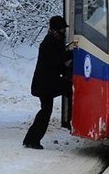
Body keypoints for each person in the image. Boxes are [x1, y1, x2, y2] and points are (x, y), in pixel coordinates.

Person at [23, 15, 72, 150]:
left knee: (45, 110)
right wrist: (72, 54)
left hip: (46, 83)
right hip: (47, 83)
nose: (64, 31)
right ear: (58, 29)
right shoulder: (51, 41)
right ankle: (32, 140)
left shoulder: (52, 39)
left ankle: (31, 139)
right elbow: (57, 60)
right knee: (70, 90)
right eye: (62, 28)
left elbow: (56, 62)